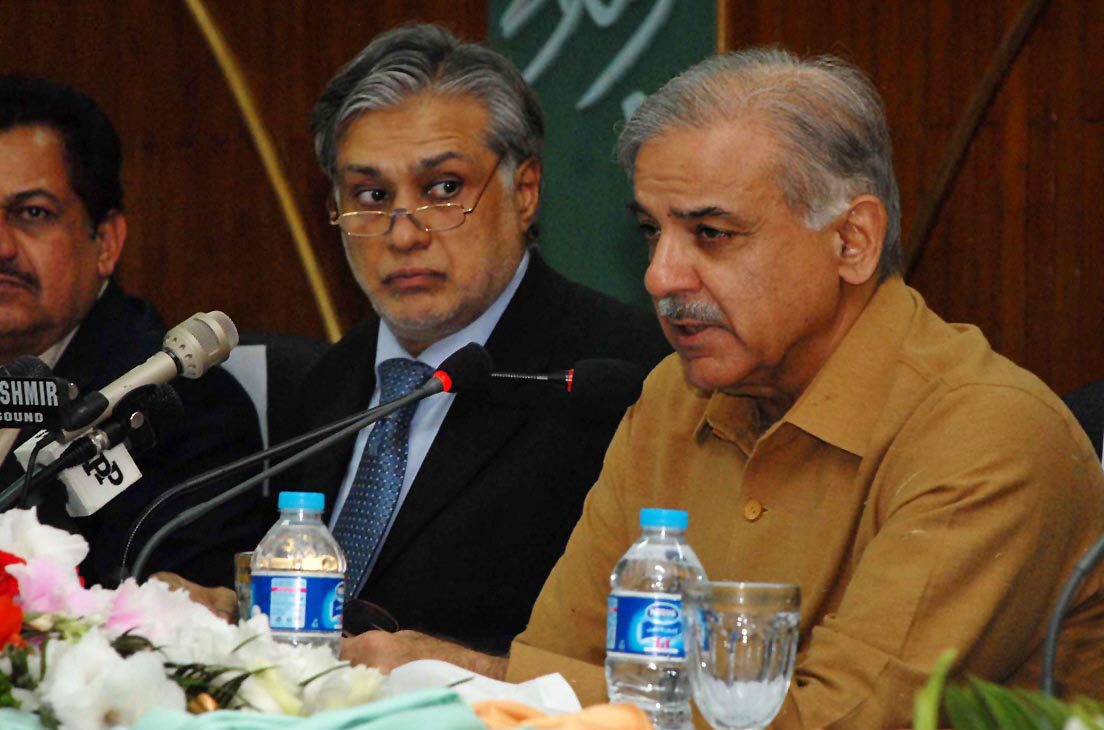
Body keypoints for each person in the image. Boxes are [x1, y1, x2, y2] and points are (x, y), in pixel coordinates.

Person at [348, 47, 1104, 727]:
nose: (659, 277)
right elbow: (552, 661)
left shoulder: (986, 435)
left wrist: (479, 675)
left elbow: (838, 723)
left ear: (852, 240)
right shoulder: (673, 399)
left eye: (711, 234)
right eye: (652, 231)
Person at [292, 24, 669, 660]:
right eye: (371, 195)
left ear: (524, 191)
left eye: (443, 189)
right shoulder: (324, 384)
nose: (403, 233)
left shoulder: (621, 378)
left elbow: (626, 659)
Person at [0, 75, 264, 592]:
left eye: (32, 214)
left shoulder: (178, 403)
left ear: (106, 242)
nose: (2, 246)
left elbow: (169, 623)